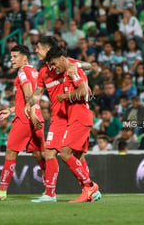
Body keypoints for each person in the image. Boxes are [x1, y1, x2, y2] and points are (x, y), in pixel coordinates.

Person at [24, 36, 99, 203]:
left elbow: (89, 67)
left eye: (39, 47)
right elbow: (37, 94)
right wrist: (30, 107)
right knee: (49, 152)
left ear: (49, 49)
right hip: (58, 117)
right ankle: (50, 194)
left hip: (73, 114)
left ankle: (88, 189)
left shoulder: (68, 63)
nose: (36, 51)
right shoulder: (44, 71)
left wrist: (76, 65)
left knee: (76, 155)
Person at [0, 45, 45, 200]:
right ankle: (50, 189)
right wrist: (10, 110)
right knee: (39, 155)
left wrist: (27, 113)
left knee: (11, 152)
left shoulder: (23, 72)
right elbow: (32, 98)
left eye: (15, 56)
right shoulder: (34, 72)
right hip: (36, 116)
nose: (12, 60)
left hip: (24, 118)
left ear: (25, 57)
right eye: (11, 57)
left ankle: (1, 190)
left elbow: (29, 96)